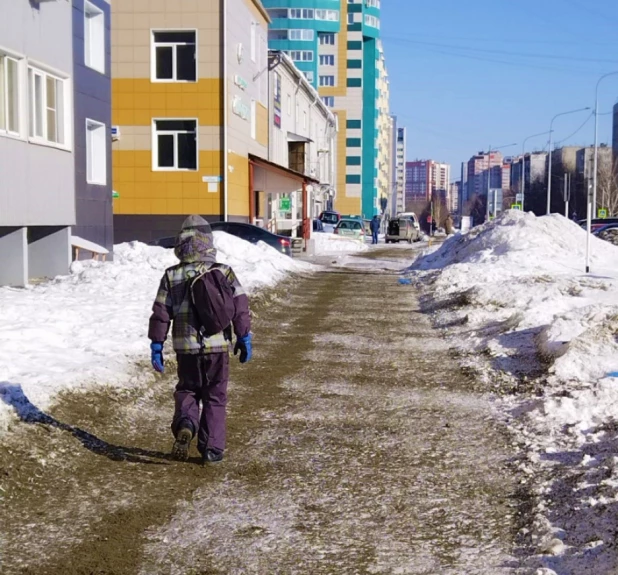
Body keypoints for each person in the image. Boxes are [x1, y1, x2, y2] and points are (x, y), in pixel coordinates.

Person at [148, 215, 252, 465]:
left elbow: (161, 312)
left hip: (186, 349)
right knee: (215, 397)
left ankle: (186, 423)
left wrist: (157, 344)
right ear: (209, 242)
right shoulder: (222, 271)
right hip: (217, 348)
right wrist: (244, 336)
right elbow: (240, 307)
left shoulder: (171, 275)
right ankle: (212, 449)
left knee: (187, 389)